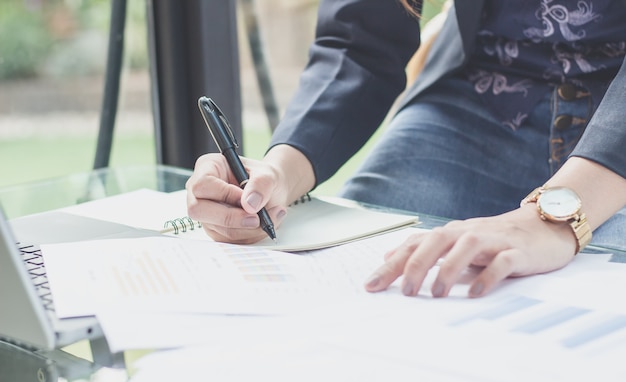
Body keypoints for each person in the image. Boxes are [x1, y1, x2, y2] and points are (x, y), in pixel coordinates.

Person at [186, 0, 626, 298]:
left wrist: (552, 219)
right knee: (337, 275)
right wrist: (279, 174)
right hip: (478, 100)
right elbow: (362, 35)